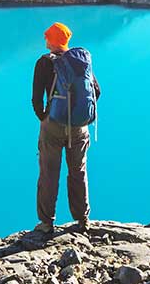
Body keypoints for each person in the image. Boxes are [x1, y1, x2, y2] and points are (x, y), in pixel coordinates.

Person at [32, 21, 100, 234]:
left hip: (53, 126)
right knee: (78, 172)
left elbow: (36, 99)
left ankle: (46, 223)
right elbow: (97, 91)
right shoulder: (80, 61)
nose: (44, 39)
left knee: (49, 173)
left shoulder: (44, 62)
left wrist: (45, 117)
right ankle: (82, 220)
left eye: (47, 36)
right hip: (80, 128)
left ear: (52, 40)